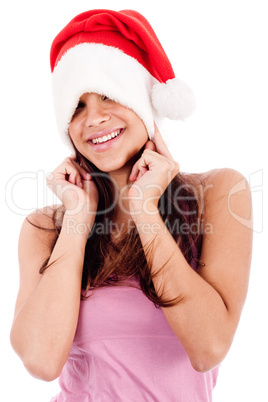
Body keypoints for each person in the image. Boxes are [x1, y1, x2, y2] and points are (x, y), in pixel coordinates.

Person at [10, 9, 253, 402]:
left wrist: (145, 209)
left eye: (109, 95)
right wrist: (77, 220)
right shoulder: (46, 227)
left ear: (143, 101)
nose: (94, 118)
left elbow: (208, 348)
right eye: (77, 106)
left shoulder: (220, 194)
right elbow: (40, 360)